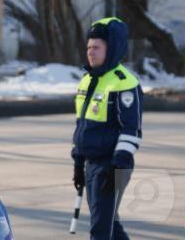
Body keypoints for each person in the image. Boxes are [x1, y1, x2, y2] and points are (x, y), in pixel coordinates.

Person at [72, 17, 143, 240]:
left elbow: (131, 129)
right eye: (88, 48)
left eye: (96, 48)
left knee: (100, 229)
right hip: (91, 164)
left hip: (112, 165)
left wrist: (117, 165)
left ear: (110, 49)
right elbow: (82, 126)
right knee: (109, 224)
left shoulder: (124, 83)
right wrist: (78, 162)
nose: (90, 53)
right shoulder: (87, 81)